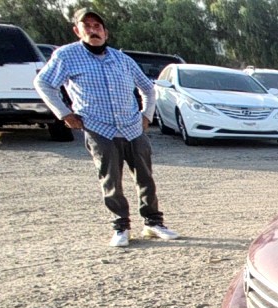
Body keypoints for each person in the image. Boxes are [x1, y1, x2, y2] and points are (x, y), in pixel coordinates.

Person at [35, 8, 179, 248]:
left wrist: (146, 115)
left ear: (105, 32)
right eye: (87, 26)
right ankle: (121, 226)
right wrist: (65, 114)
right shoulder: (67, 56)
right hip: (99, 128)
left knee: (145, 178)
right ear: (77, 30)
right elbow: (43, 83)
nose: (93, 31)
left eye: (97, 26)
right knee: (111, 179)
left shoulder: (121, 59)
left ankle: (153, 223)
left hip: (132, 127)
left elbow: (148, 88)